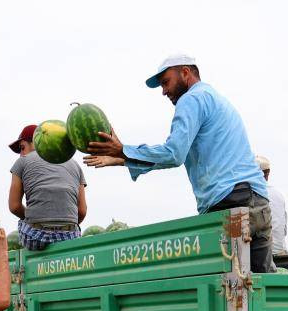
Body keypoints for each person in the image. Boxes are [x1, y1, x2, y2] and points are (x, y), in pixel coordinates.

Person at [83, 54, 274, 273]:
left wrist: (124, 150)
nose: (164, 91)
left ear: (185, 72)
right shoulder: (214, 98)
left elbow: (174, 153)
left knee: (229, 292)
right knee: (261, 289)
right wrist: (124, 158)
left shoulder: (191, 99)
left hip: (230, 202)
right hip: (257, 202)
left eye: (166, 82)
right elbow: (178, 153)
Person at [8, 124, 88, 250]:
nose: (21, 154)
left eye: (22, 148)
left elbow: (14, 206)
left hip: (35, 238)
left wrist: (31, 217)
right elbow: (82, 211)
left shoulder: (22, 162)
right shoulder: (75, 165)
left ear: (36, 142)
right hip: (70, 237)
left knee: (22, 222)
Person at [255, 154, 288, 257]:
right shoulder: (278, 194)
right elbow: (284, 229)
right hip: (281, 251)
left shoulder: (254, 194)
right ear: (267, 174)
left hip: (265, 255)